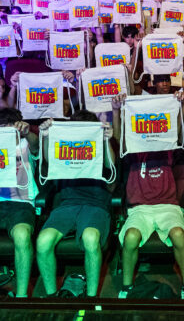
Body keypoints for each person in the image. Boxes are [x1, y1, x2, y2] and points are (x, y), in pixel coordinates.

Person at [112, 85, 184, 300]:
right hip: (140, 208)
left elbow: (178, 134)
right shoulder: (133, 149)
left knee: (179, 235)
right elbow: (119, 137)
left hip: (168, 206)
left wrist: (181, 106)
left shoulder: (167, 147)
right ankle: (127, 287)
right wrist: (116, 110)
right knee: (131, 237)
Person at [36, 109, 115, 298]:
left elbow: (110, 168)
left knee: (90, 238)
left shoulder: (98, 143)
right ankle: (52, 297)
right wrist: (46, 136)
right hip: (67, 204)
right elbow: (49, 160)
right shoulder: (65, 142)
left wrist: (106, 140)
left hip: (95, 204)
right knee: (43, 241)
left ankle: (91, 297)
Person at [0, 107, 39, 298]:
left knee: (22, 236)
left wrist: (27, 132)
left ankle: (22, 297)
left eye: (10, 127)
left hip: (21, 203)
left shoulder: (25, 143)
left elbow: (36, 145)